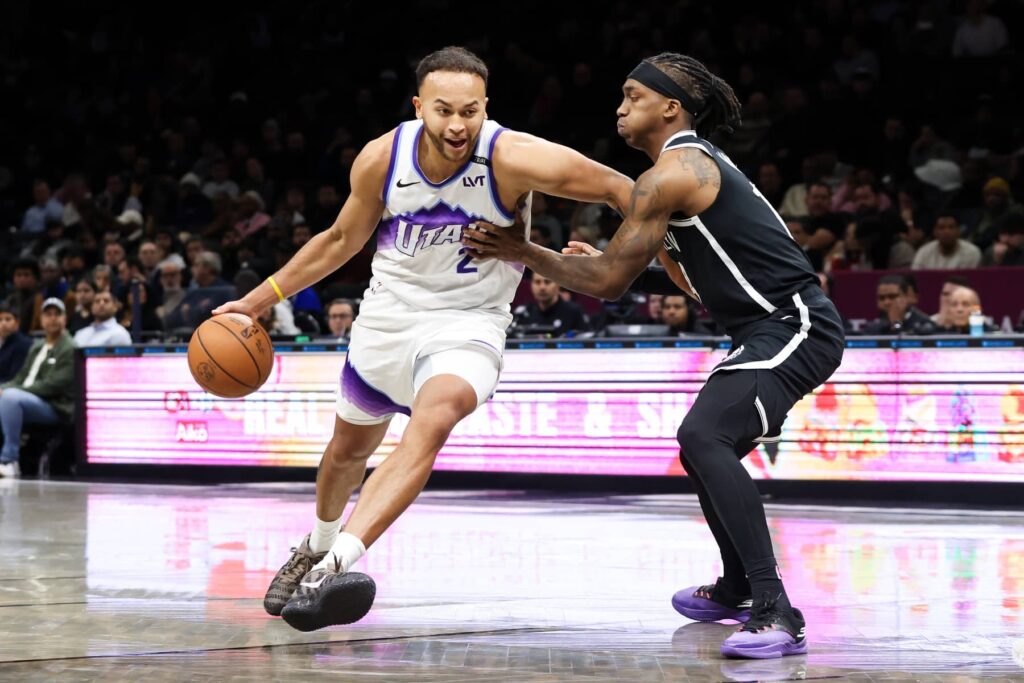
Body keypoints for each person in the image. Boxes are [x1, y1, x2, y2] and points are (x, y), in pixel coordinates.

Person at [212, 46, 634, 632]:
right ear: (418, 106)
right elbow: (339, 241)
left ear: (486, 106)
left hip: (470, 321)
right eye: (443, 111)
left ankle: (332, 568)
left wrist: (622, 260)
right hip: (387, 318)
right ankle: (316, 543)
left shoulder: (512, 156)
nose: (458, 125)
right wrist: (257, 302)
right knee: (346, 453)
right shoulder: (382, 157)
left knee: (432, 422)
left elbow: (624, 189)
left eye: (470, 111)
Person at [465, 52, 846, 659]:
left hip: (796, 323)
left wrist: (525, 251)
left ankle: (776, 610)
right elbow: (683, 274)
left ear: (671, 107)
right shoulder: (680, 174)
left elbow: (609, 284)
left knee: (704, 436)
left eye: (633, 96)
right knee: (701, 447)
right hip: (765, 328)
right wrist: (603, 262)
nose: (620, 107)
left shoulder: (673, 173)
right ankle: (737, 586)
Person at [0, 298, 76, 478]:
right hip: (28, 399)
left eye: (57, 314)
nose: (53, 318)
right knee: (8, 395)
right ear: (41, 319)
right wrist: (2, 388)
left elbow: (53, 385)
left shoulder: (69, 347)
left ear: (65, 319)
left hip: (55, 406)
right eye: (48, 314)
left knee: (11, 398)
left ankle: (9, 460)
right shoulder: (37, 346)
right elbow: (20, 378)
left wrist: (12, 391)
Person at [513, 272, 588, 337]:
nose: (542, 287)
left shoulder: (574, 312)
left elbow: (587, 340)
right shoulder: (522, 314)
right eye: (537, 282)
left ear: (558, 284)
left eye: (547, 282)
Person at [861, 274, 936, 335]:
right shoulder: (873, 327)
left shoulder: (924, 324)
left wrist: (896, 323)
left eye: (892, 296)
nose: (887, 302)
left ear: (906, 297)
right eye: (882, 298)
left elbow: (898, 343)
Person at [912, 213, 982, 269]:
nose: (947, 232)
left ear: (958, 231)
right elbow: (915, 277)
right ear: (934, 232)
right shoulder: (924, 252)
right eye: (941, 228)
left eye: (951, 227)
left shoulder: (972, 252)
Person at [0, 304, 33, 384]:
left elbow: (14, 378)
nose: (3, 323)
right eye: (0, 320)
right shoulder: (3, 341)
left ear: (17, 323)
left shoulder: (23, 344)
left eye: (8, 319)